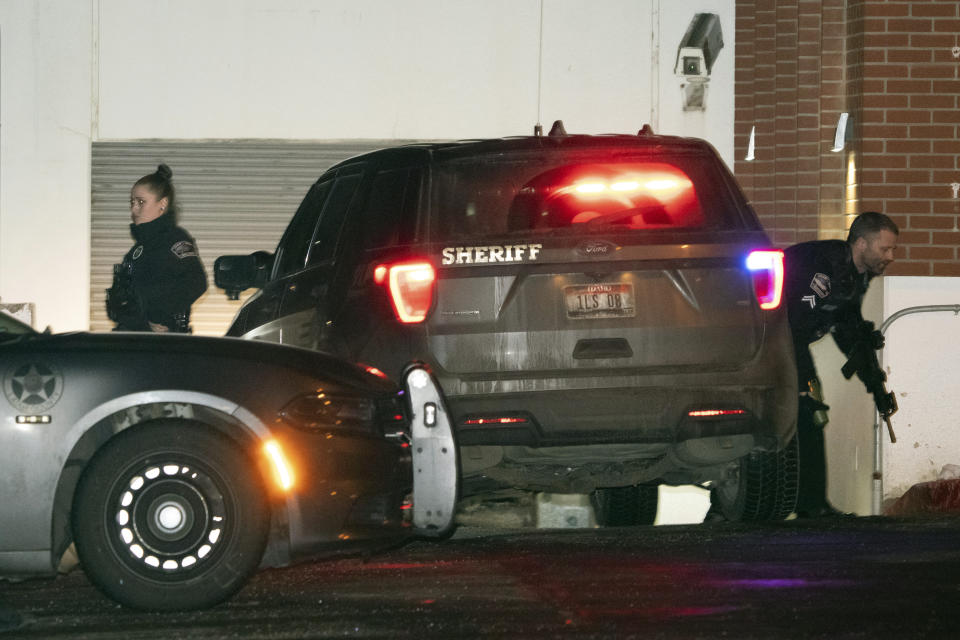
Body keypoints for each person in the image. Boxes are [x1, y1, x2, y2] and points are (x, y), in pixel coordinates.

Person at [784, 211, 899, 518]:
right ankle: (809, 504)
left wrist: (874, 384)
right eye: (884, 249)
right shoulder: (824, 265)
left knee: (810, 415)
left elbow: (847, 325)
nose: (890, 256)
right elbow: (792, 319)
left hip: (791, 341)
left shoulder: (859, 274)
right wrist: (803, 382)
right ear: (861, 243)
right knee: (808, 412)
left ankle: (811, 504)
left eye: (892, 250)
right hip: (772, 339)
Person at [106, 164, 207, 332]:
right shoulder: (138, 249)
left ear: (163, 204)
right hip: (133, 339)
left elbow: (195, 283)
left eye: (141, 202)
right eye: (132, 202)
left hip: (160, 345)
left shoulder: (175, 240)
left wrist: (159, 316)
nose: (134, 209)